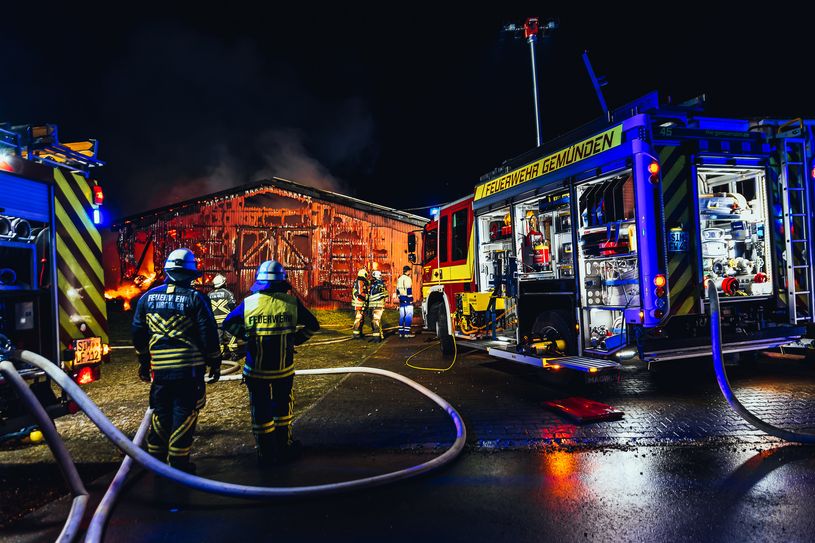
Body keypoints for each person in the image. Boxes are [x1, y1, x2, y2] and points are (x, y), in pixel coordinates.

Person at [132, 248, 221, 474]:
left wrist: (144, 361)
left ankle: (156, 463)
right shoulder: (196, 298)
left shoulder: (146, 298)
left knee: (161, 412)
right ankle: (179, 464)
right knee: (185, 411)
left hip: (159, 371)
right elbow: (207, 332)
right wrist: (215, 360)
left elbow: (138, 332)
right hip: (187, 369)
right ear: (190, 275)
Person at [223, 260, 319, 466]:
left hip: (256, 370)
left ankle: (265, 452)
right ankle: (283, 448)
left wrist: (248, 337)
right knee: (283, 410)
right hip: (282, 370)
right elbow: (313, 325)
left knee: (260, 410)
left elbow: (228, 323)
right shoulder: (291, 303)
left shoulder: (249, 303)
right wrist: (296, 339)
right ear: (282, 281)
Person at [207, 274, 237, 358]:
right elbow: (232, 306)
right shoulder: (228, 293)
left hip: (215, 322)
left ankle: (221, 354)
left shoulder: (209, 295)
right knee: (231, 337)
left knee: (218, 338)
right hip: (227, 320)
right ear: (223, 283)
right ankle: (234, 354)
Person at [368, 270, 387, 342]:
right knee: (377, 321)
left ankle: (377, 338)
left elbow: (384, 294)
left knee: (375, 321)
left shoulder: (379, 285)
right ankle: (380, 336)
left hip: (377, 306)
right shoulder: (377, 284)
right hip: (375, 306)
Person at [395, 265, 415, 338]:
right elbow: (409, 290)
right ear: (408, 271)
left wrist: (400, 297)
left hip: (401, 299)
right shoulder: (408, 279)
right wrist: (411, 300)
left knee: (402, 316)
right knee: (408, 316)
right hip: (407, 299)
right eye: (409, 270)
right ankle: (407, 333)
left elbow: (397, 290)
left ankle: (400, 332)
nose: (410, 271)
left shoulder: (399, 279)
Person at [351, 268, 369, 339]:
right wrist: (367, 296)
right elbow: (360, 293)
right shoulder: (360, 282)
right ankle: (356, 334)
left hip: (360, 303)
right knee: (358, 318)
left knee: (361, 318)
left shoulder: (360, 281)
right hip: (358, 303)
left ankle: (359, 333)